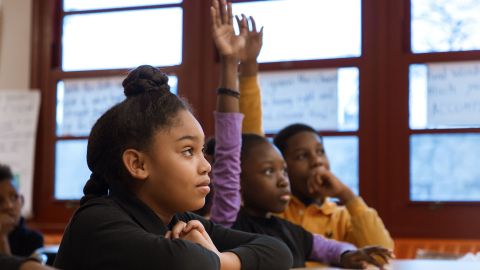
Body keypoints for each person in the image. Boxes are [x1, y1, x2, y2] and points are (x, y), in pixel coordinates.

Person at [54, 5, 292, 270]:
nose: (206, 165)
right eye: (188, 151)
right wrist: (218, 259)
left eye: (202, 151)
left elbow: (278, 251)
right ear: (138, 164)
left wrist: (219, 259)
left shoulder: (177, 218)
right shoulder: (97, 221)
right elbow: (186, 259)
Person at [209, 2, 391, 268]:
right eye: (270, 171)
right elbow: (233, 148)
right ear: (239, 182)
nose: (283, 180)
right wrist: (234, 64)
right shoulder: (229, 221)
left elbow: (339, 249)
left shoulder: (290, 227)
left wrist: (348, 254)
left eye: (281, 170)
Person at [0, 164, 43, 257]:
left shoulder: (33, 239)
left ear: (22, 201)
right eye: (0, 200)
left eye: (14, 197)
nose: (9, 206)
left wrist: (2, 237)